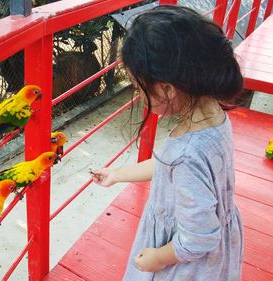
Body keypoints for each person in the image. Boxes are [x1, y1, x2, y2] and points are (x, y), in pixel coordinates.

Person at [90, 5, 244, 281]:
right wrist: (117, 175)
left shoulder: (184, 154)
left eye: (139, 88)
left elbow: (198, 238)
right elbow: (167, 166)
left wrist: (157, 258)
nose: (138, 96)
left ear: (166, 88)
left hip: (183, 264)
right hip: (213, 253)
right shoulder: (215, 115)